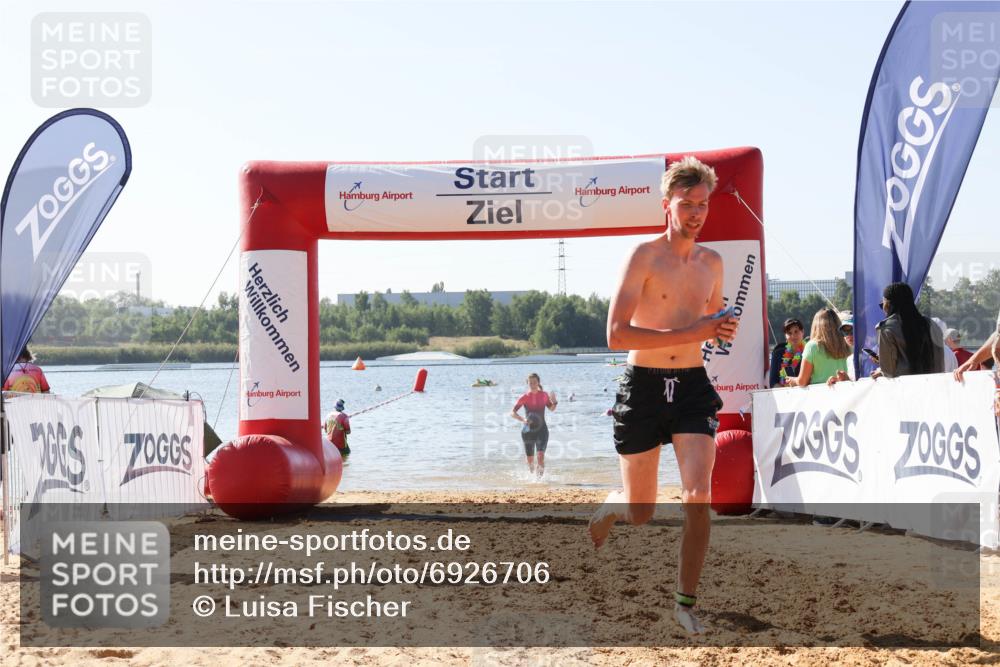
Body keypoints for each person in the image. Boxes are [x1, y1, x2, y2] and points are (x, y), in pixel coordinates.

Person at [587, 156, 739, 635]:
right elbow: (615, 335)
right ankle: (615, 505)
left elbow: (712, 324)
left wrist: (720, 330)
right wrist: (696, 327)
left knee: (699, 496)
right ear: (666, 206)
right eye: (686, 204)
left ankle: (685, 603)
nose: (696, 213)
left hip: (692, 387)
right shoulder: (643, 256)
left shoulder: (713, 261)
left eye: (703, 205)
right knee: (642, 512)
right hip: (644, 388)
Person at [873, 282, 944, 378]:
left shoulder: (886, 328)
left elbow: (888, 371)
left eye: (883, 304)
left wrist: (881, 370)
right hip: (934, 386)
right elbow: (940, 363)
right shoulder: (932, 325)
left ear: (889, 304)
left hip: (905, 388)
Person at [784, 308, 850, 386]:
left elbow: (802, 381)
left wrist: (793, 380)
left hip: (819, 395)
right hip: (844, 393)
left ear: (816, 325)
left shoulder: (812, 346)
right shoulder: (847, 345)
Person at [510, 373, 557, 477]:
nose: (532, 384)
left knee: (540, 456)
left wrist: (555, 402)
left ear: (538, 382)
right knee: (530, 460)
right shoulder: (524, 397)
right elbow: (512, 412)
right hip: (528, 431)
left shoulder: (544, 395)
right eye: (530, 383)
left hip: (542, 430)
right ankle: (531, 478)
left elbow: (552, 409)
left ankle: (539, 480)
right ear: (527, 383)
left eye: (534, 382)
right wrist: (522, 419)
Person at [767, 318, 805, 387]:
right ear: (785, 335)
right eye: (789, 333)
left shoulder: (808, 352)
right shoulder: (777, 354)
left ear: (802, 332)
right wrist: (785, 391)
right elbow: (773, 382)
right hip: (783, 394)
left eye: (796, 331)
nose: (793, 336)